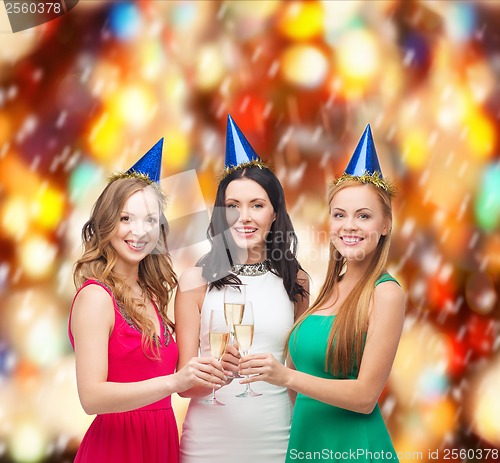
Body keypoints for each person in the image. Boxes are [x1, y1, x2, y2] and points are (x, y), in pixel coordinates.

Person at [239, 125, 405, 462]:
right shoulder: (324, 290)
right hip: (307, 444)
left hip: (354, 449)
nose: (349, 226)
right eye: (340, 215)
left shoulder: (385, 293)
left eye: (364, 216)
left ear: (385, 225)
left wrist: (287, 376)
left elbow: (364, 396)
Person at [68, 139, 225, 463]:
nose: (139, 231)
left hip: (160, 443)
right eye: (126, 219)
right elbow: (92, 397)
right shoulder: (96, 297)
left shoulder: (151, 294)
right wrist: (173, 382)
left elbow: (181, 374)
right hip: (116, 449)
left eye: (150, 220)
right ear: (106, 223)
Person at [175, 115, 309, 463]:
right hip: (208, 443)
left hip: (278, 437)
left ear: (275, 214)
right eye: (233, 206)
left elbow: (299, 375)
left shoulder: (297, 281)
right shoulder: (194, 282)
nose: (244, 217)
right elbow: (184, 385)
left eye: (257, 205)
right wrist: (218, 371)